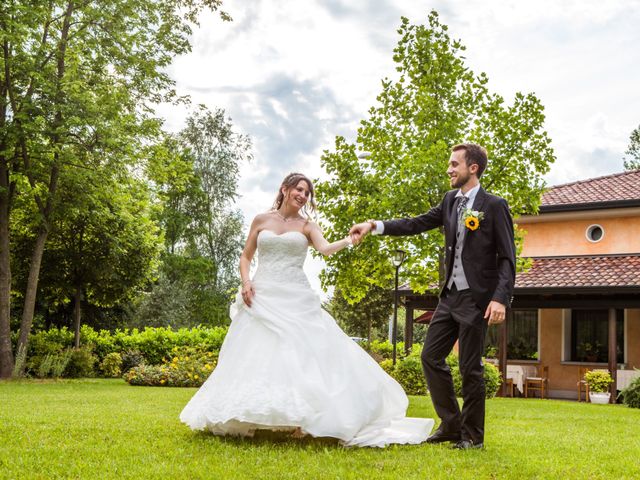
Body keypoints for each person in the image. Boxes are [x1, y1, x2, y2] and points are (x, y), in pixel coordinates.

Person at [180, 172, 434, 447]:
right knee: (258, 352)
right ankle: (248, 417)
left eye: (306, 193)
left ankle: (303, 418)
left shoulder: (306, 225)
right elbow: (246, 255)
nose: (302, 195)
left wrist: (350, 240)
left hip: (295, 296)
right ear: (285, 189)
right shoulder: (261, 220)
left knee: (301, 354)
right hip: (262, 293)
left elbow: (325, 249)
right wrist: (246, 282)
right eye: (298, 189)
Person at [350, 144, 516, 450]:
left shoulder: (494, 205)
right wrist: (374, 226)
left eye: (455, 164)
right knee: (430, 357)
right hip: (450, 296)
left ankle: (472, 437)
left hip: (477, 299)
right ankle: (451, 425)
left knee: (470, 368)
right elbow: (416, 223)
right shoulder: (450, 201)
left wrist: (500, 298)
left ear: (473, 168)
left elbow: (507, 257)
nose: (449, 170)